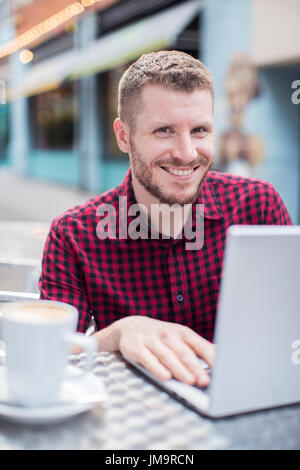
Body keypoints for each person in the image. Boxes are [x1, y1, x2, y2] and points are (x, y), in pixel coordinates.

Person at [39, 50, 291, 388]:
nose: (187, 153)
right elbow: (47, 356)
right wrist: (117, 334)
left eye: (199, 130)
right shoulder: (73, 235)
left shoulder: (258, 206)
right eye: (164, 131)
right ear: (124, 136)